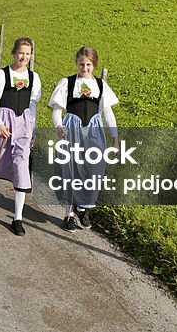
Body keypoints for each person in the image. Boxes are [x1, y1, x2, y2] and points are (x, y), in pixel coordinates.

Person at [47, 46, 119, 232]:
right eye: (81, 64)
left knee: (94, 169)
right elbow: (57, 110)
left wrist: (115, 137)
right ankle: (68, 214)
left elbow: (108, 112)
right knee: (70, 170)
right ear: (76, 63)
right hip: (72, 129)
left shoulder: (100, 85)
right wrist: (58, 126)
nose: (84, 68)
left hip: (94, 131)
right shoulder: (68, 83)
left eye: (88, 64)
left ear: (94, 65)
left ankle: (84, 207)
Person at [0, 37, 41, 236]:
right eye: (20, 53)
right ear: (14, 53)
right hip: (4, 120)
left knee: (21, 165)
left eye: (27, 53)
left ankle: (17, 218)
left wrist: (32, 128)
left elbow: (33, 105)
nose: (23, 57)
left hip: (24, 122)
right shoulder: (0, 75)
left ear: (31, 55)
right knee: (0, 160)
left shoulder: (34, 78)